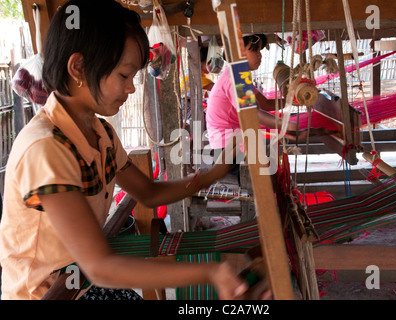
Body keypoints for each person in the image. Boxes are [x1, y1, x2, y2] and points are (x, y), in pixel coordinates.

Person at [0, 0, 247, 300]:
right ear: (78, 67)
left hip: (80, 285)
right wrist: (208, 272)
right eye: (123, 75)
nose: (131, 88)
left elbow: (149, 193)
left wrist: (212, 175)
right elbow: (100, 267)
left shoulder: (101, 134)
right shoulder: (44, 149)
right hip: (48, 294)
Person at [205, 34, 330, 177]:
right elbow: (252, 114)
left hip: (230, 143)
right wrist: (284, 125)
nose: (260, 56)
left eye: (259, 51)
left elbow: (265, 104)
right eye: (254, 51)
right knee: (262, 184)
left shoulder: (238, 75)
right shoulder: (235, 77)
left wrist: (293, 99)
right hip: (226, 149)